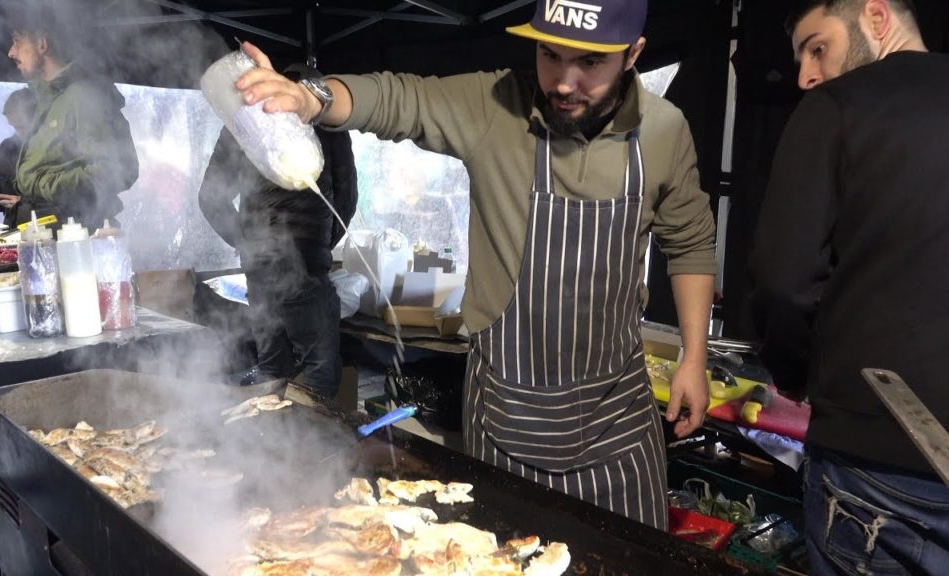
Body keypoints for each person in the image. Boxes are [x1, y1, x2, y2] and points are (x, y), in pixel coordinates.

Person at [235, 0, 717, 529]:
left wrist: (694, 356)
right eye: (550, 55)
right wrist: (312, 96)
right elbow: (401, 98)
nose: (563, 81)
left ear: (634, 55)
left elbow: (690, 242)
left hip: (616, 421)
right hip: (507, 412)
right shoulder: (496, 107)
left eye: (590, 63)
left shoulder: (664, 131)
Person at [751, 1, 949, 573]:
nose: (805, 76)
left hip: (877, 465)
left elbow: (783, 285)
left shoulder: (836, 106)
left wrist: (793, 376)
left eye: (818, 48)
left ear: (876, 16)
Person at [199, 64, 358, 400]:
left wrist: (251, 245)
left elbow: (210, 198)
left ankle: (272, 447)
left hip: (260, 272)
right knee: (320, 373)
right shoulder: (320, 118)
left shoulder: (240, 122)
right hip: (305, 266)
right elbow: (346, 198)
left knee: (271, 370)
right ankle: (309, 446)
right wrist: (319, 245)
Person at [7, 3, 139, 231]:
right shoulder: (50, 99)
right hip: (52, 237)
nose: (11, 52)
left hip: (76, 239)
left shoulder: (84, 96)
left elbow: (120, 169)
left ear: (42, 45)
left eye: (18, 40)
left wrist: (39, 183)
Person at [0, 88, 36, 228]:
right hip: (12, 228)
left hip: (42, 228)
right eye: (14, 127)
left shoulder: (51, 149)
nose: (19, 132)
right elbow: (0, 191)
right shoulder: (6, 147)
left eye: (22, 127)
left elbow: (63, 200)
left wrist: (21, 203)